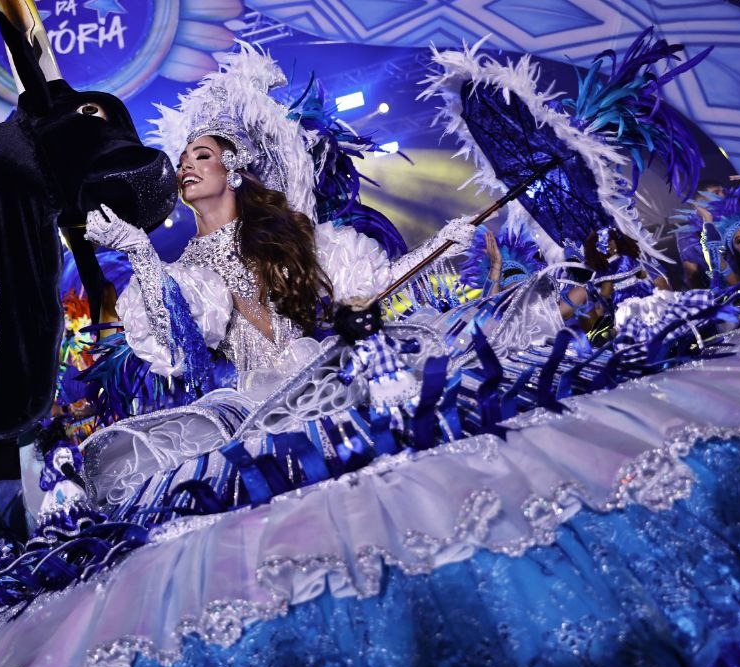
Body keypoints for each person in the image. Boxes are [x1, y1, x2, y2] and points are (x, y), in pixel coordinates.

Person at [80, 45, 474, 502]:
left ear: (233, 172)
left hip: (327, 383)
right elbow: (179, 346)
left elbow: (373, 287)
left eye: (201, 155)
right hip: (254, 415)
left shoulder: (292, 239)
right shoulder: (186, 270)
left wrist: (441, 246)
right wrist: (139, 251)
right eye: (183, 159)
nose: (185, 165)